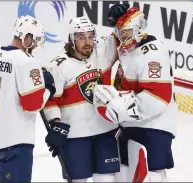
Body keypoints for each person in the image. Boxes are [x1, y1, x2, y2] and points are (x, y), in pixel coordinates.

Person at [93, 5, 178, 182]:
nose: (121, 36)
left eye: (125, 32)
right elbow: (103, 53)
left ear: (138, 29)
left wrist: (120, 106)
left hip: (155, 125)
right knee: (126, 173)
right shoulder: (129, 47)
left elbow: (158, 97)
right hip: (133, 124)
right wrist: (121, 17)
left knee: (153, 174)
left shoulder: (152, 54)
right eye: (118, 31)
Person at [0, 15, 56, 183]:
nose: (35, 46)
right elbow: (32, 105)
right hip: (14, 144)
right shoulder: (26, 61)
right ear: (28, 38)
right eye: (35, 41)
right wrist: (47, 88)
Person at [43, 16, 123, 182]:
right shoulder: (59, 66)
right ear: (71, 40)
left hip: (105, 131)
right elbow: (51, 100)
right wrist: (56, 123)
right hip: (75, 136)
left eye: (90, 36)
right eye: (81, 37)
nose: (87, 42)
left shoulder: (102, 51)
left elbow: (124, 34)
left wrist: (122, 16)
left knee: (107, 180)